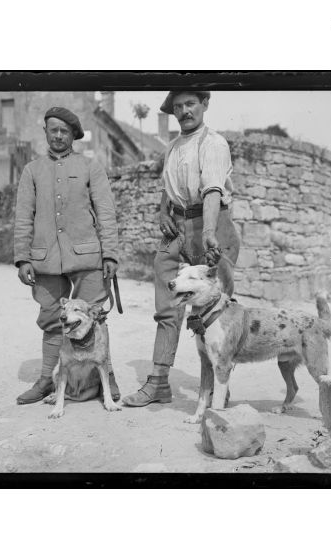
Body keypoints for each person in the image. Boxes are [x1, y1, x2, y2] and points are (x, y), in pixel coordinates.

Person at [122, 91, 240, 407]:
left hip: (211, 225)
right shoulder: (172, 147)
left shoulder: (213, 143)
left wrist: (210, 233)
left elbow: (213, 191)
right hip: (176, 228)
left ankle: (218, 389)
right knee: (169, 303)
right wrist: (163, 212)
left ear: (204, 104)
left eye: (190, 104)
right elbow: (167, 189)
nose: (184, 111)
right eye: (178, 107)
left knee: (215, 308)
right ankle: (158, 381)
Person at [15, 106, 120, 405]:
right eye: (53, 130)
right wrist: (23, 258)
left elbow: (106, 213)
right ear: (45, 132)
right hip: (44, 259)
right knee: (51, 319)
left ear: (73, 135)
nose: (58, 135)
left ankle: (107, 375)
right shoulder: (32, 170)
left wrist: (110, 253)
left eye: (64, 131)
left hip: (87, 257)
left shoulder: (90, 167)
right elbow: (23, 217)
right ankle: (48, 379)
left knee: (96, 317)